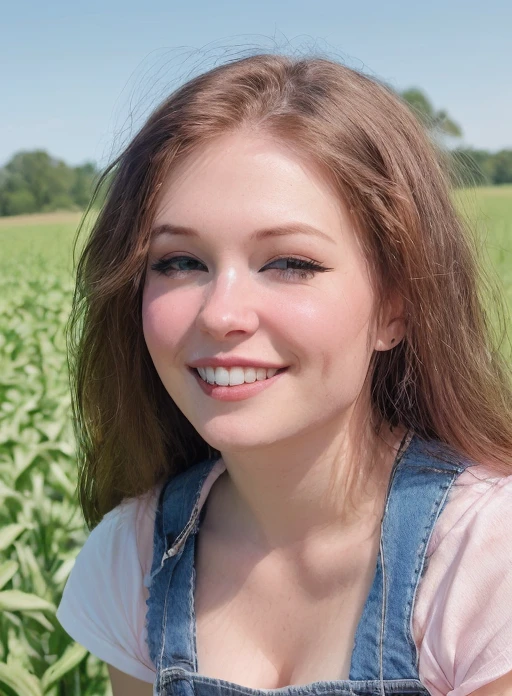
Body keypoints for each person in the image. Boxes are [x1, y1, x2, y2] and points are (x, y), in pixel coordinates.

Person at [56, 53, 512, 696]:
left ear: (395, 308)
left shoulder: (486, 564)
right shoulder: (129, 561)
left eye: (291, 263)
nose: (221, 313)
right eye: (180, 261)